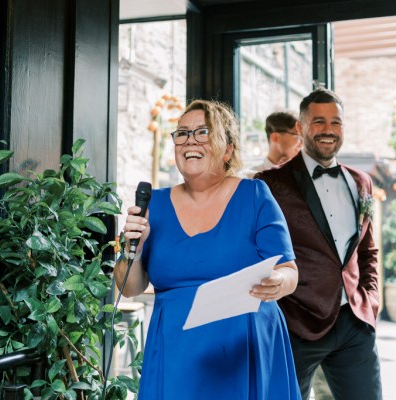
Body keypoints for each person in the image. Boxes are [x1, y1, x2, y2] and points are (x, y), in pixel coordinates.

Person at [114, 99, 302, 400]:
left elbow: (289, 271)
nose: (189, 140)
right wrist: (131, 249)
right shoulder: (155, 205)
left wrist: (278, 283)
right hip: (176, 352)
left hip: (244, 349)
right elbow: (129, 288)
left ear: (228, 149)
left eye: (203, 132)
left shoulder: (255, 195)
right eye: (182, 133)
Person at [255, 86, 383, 400]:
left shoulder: (361, 181)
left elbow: (367, 250)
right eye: (319, 122)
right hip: (296, 323)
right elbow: (258, 255)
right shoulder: (270, 183)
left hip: (355, 321)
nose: (328, 130)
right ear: (300, 128)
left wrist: (370, 300)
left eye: (336, 122)